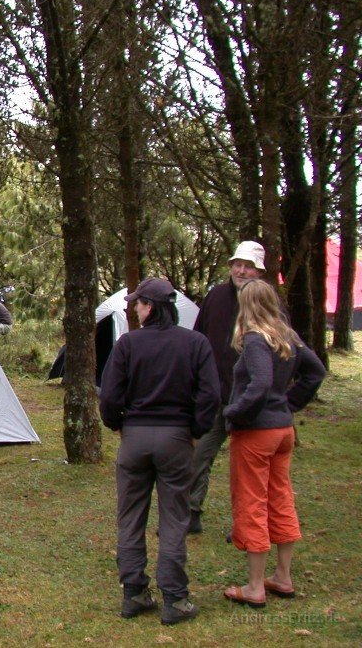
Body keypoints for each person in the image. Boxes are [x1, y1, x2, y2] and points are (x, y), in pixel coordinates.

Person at [99, 278, 220, 625]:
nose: (135, 310)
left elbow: (110, 395)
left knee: (130, 517)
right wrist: (195, 431)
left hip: (135, 438)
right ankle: (175, 598)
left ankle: (134, 592)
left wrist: (118, 425)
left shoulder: (128, 344)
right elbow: (211, 395)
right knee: (174, 518)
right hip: (177, 439)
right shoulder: (195, 343)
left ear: (150, 307)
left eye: (138, 304)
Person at [222, 280, 325, 609]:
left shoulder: (255, 338)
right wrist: (287, 405)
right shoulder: (286, 335)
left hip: (257, 432)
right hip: (282, 430)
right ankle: (282, 576)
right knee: (280, 497)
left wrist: (235, 413)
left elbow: (261, 383)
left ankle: (255, 587)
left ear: (246, 304)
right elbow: (315, 372)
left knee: (251, 501)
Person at [187, 240, 266, 534]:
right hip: (214, 394)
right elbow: (198, 338)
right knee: (197, 456)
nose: (241, 271)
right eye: (237, 265)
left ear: (259, 272)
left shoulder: (267, 302)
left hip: (249, 400)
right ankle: (190, 514)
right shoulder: (216, 296)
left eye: (248, 267)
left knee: (246, 466)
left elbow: (284, 350)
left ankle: (246, 525)